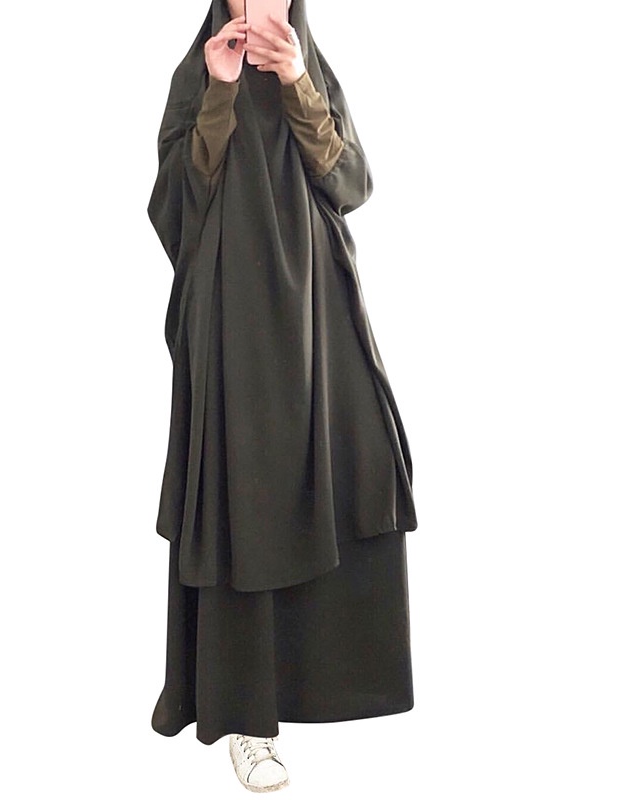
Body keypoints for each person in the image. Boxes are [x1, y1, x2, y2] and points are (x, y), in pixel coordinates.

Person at [147, 0, 419, 792]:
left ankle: (325, 690)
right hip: (232, 324)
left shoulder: (312, 70)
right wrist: (222, 88)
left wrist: (296, 78)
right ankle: (246, 721)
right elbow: (175, 205)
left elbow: (350, 182)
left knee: (357, 467)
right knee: (244, 502)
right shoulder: (199, 76)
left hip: (320, 323)